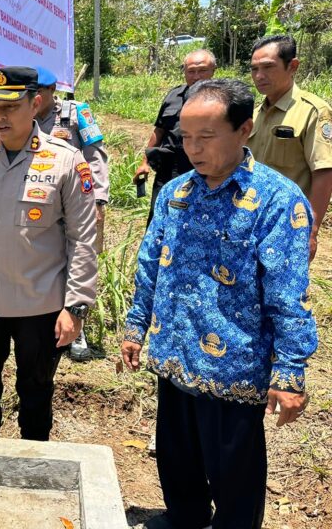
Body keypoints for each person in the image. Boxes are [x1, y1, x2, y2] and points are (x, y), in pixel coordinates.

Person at [121, 79, 317, 529]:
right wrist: (136, 328)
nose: (192, 149)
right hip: (173, 355)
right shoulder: (175, 194)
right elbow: (150, 264)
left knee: (235, 479)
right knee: (177, 460)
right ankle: (185, 518)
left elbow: (288, 294)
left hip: (234, 370)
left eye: (206, 137)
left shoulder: (277, 200)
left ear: (244, 129)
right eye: (186, 137)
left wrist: (290, 372)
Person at [0, 66, 98, 441]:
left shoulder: (65, 161)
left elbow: (83, 238)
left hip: (40, 305)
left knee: (36, 390)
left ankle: (35, 456)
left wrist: (76, 306)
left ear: (35, 103)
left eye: (10, 106)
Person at [35, 66, 108, 360]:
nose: (33, 98)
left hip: (76, 202)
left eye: (39, 92)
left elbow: (96, 157)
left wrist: (98, 200)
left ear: (52, 90)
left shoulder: (76, 113)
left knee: (77, 259)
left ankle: (78, 327)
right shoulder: (23, 114)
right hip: (40, 204)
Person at [249, 34, 332, 260]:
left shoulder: (313, 112)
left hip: (289, 224)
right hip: (251, 220)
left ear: (292, 66)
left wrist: (311, 230)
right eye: (254, 69)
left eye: (268, 67)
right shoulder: (254, 115)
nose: (259, 76)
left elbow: (324, 172)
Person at [133, 49, 217, 223]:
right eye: (191, 71)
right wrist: (144, 162)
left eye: (202, 70)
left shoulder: (223, 101)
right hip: (168, 169)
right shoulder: (174, 95)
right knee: (159, 216)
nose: (196, 76)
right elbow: (159, 130)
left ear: (213, 70)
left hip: (203, 171)